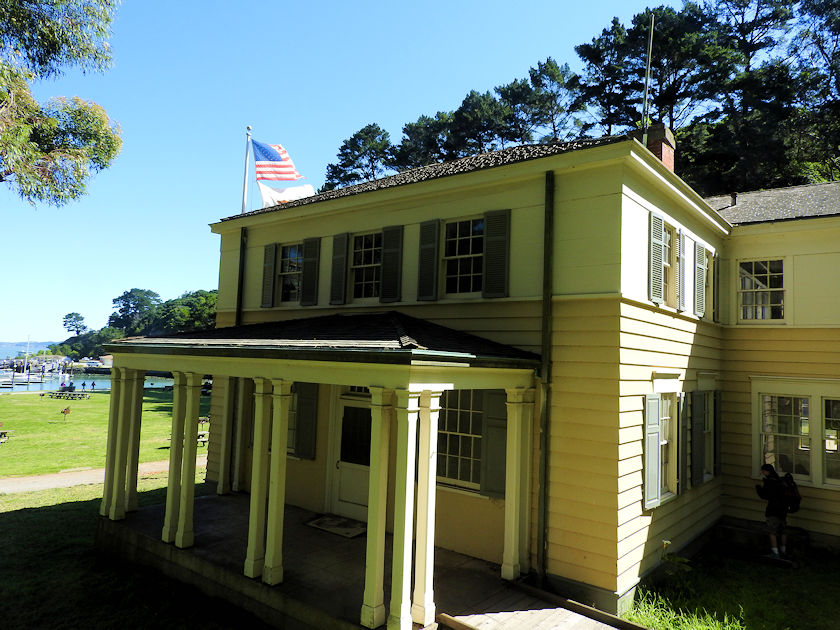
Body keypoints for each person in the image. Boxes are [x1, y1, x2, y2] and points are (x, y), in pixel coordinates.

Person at [756, 463, 787, 558]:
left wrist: (759, 489)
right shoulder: (780, 480)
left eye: (763, 471)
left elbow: (765, 495)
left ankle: (775, 552)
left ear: (767, 471)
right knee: (783, 530)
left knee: (772, 531)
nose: (762, 473)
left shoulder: (770, 482)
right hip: (783, 509)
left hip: (773, 510)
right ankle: (783, 550)